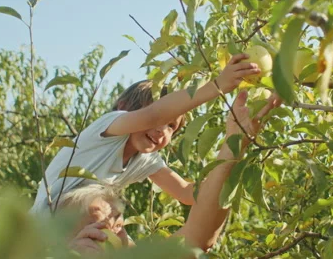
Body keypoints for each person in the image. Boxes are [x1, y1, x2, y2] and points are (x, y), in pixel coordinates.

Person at [30, 54, 262, 213]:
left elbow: (188, 194)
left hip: (76, 235)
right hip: (45, 228)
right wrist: (217, 84)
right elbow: (154, 115)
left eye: (171, 127)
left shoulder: (144, 159)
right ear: (123, 107)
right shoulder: (109, 127)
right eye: (161, 120)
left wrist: (234, 149)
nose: (162, 129)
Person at [67, 90, 282, 255]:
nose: (113, 231)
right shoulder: (104, 132)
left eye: (119, 222)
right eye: (96, 226)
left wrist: (234, 144)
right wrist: (219, 84)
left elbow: (195, 236)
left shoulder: (145, 160)